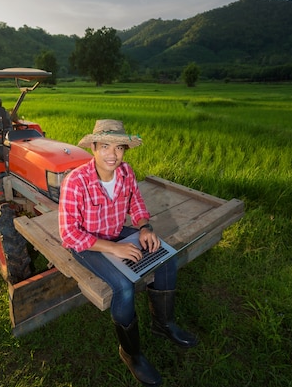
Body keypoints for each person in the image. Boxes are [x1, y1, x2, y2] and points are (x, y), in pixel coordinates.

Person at [58, 119, 198, 386]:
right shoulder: (76, 181)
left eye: (120, 147)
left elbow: (137, 202)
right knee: (123, 286)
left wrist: (145, 226)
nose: (113, 155)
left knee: (166, 257)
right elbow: (69, 234)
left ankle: (163, 324)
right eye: (106, 147)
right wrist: (114, 248)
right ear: (94, 148)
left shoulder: (126, 172)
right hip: (87, 243)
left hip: (113, 233)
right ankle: (131, 353)